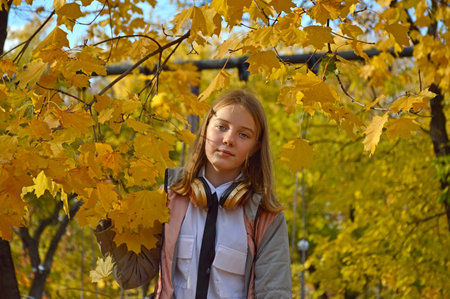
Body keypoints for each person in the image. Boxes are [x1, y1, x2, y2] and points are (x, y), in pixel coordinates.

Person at [95, 90, 292, 298]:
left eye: (243, 134)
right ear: (205, 129)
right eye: (221, 127)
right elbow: (130, 276)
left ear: (255, 148)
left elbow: (274, 293)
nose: (228, 139)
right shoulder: (167, 198)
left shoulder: (266, 218)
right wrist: (109, 213)